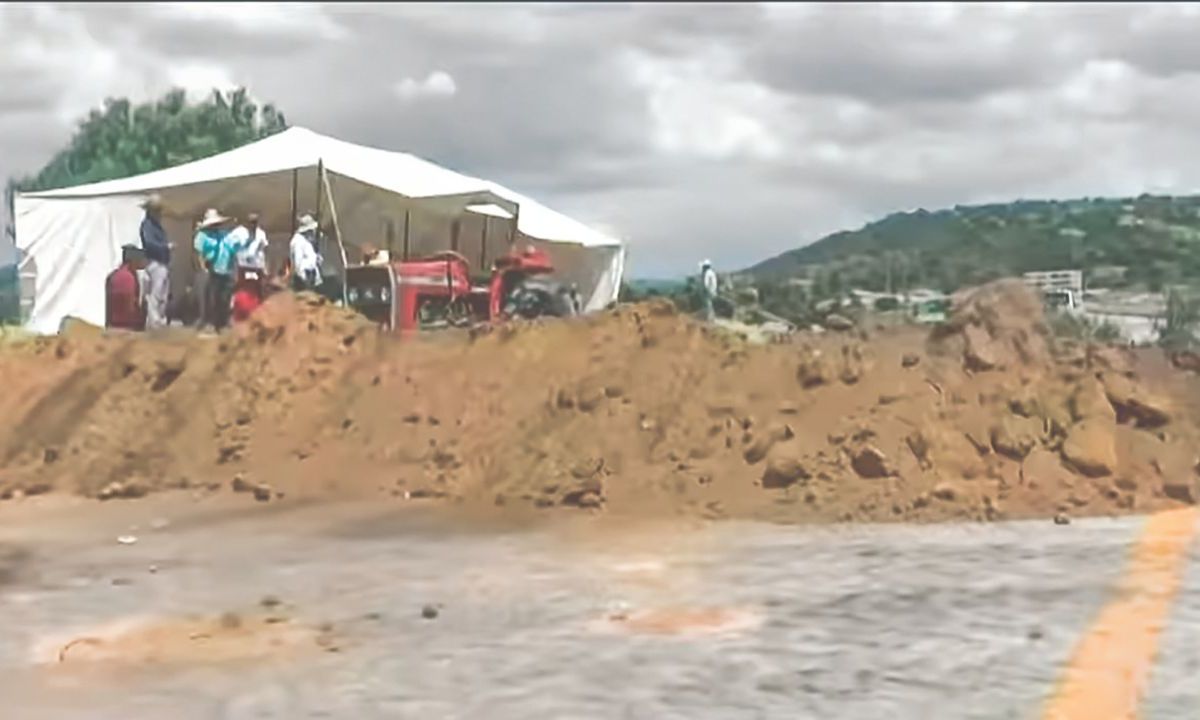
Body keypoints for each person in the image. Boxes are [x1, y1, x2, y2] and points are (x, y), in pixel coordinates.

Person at [193, 208, 236, 330]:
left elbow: (230, 249)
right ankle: (210, 322)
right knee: (211, 298)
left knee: (225, 297)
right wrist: (203, 268)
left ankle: (222, 322)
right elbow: (199, 254)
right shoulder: (202, 236)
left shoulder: (224, 235)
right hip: (211, 269)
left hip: (225, 269)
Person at [139, 194, 171, 330]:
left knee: (161, 293)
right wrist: (165, 247)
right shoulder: (147, 226)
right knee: (156, 294)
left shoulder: (154, 226)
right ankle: (155, 323)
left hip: (160, 262)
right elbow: (149, 243)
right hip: (155, 262)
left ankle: (158, 321)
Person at [106, 244, 147, 331]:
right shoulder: (127, 278)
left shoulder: (114, 275)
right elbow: (129, 306)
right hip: (125, 326)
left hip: (113, 324)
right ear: (133, 260)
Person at [289, 214, 322, 292]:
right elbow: (298, 262)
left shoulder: (305, 240)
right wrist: (303, 280)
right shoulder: (298, 241)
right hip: (304, 277)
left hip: (310, 276)